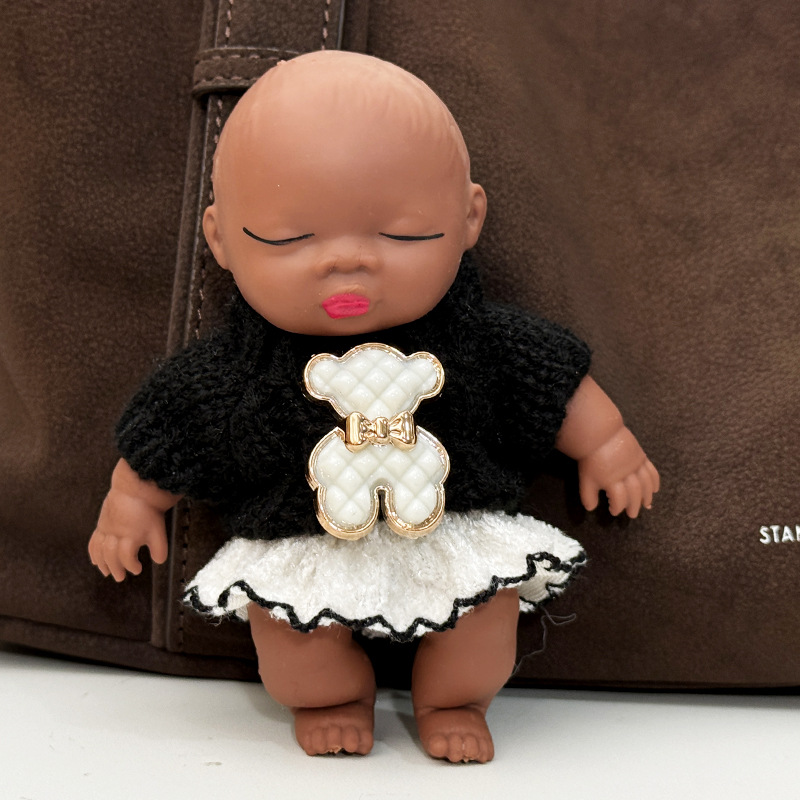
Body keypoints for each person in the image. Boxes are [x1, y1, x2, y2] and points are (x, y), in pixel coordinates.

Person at [89, 51, 659, 763]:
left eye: (402, 234)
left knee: (484, 621)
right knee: (297, 649)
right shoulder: (236, 370)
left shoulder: (478, 343)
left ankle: (455, 700)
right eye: (289, 238)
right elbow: (174, 427)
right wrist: (131, 502)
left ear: (469, 218)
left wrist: (607, 444)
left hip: (451, 531)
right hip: (303, 543)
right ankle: (329, 699)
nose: (347, 261)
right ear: (221, 240)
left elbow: (549, 383)